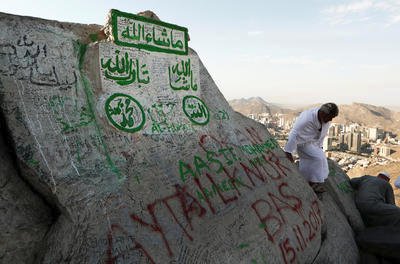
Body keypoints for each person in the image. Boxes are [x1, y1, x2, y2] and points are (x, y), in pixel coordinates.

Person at [284, 103, 339, 193]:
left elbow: (322, 134)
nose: (331, 119)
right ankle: (312, 183)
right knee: (317, 159)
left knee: (322, 159)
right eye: (330, 117)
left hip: (313, 142)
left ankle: (311, 179)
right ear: (323, 114)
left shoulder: (326, 120)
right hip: (301, 143)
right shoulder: (307, 118)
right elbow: (294, 133)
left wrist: (320, 147)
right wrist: (288, 151)